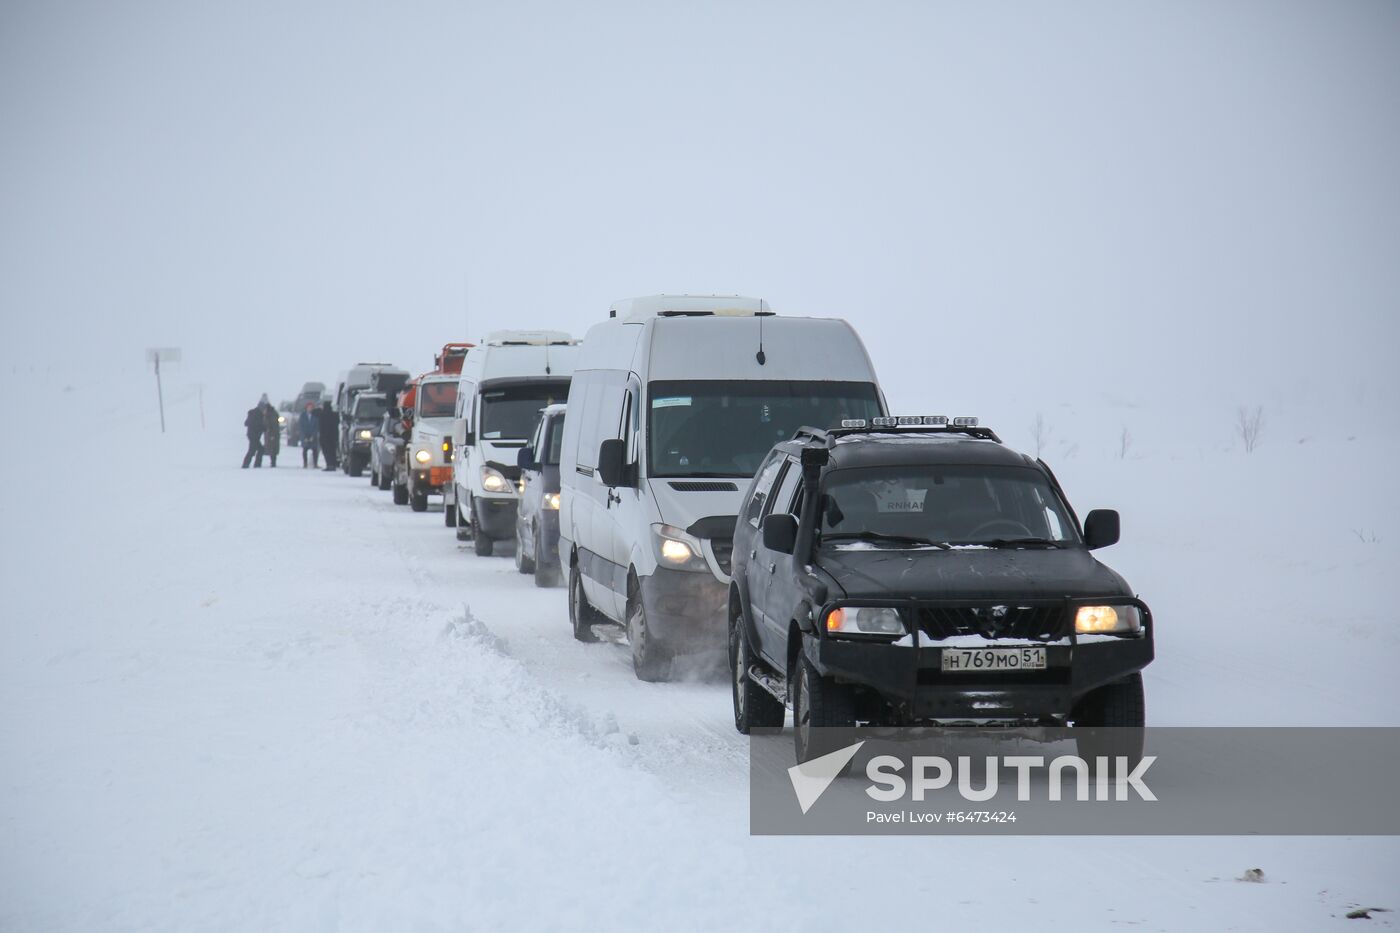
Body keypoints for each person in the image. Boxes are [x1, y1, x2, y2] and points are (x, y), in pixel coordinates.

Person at [242, 401, 265, 468]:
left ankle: (252, 464)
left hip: (253, 435)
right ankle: (248, 464)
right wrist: (263, 428)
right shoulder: (256, 414)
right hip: (253, 435)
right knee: (254, 450)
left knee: (257, 449)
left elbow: (246, 423)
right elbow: (249, 423)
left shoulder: (253, 413)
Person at [318, 400, 340, 471]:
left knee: (326, 452)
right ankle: (333, 464)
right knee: (332, 451)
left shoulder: (322, 414)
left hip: (324, 437)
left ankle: (329, 464)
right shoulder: (335, 415)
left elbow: (314, 412)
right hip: (333, 437)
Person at [298, 402, 320, 468]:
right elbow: (301, 426)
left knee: (315, 450)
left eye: (311, 407)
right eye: (309, 407)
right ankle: (305, 463)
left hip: (313, 436)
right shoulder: (303, 416)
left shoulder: (315, 415)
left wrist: (313, 436)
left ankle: (315, 464)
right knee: (305, 450)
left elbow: (317, 427)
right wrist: (304, 437)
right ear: (306, 408)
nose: (310, 409)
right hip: (305, 436)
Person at [261, 398, 281, 468]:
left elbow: (273, 425)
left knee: (272, 449)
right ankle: (273, 462)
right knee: (272, 449)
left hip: (272, 434)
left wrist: (272, 434)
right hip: (272, 434)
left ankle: (273, 463)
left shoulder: (270, 415)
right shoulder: (273, 413)